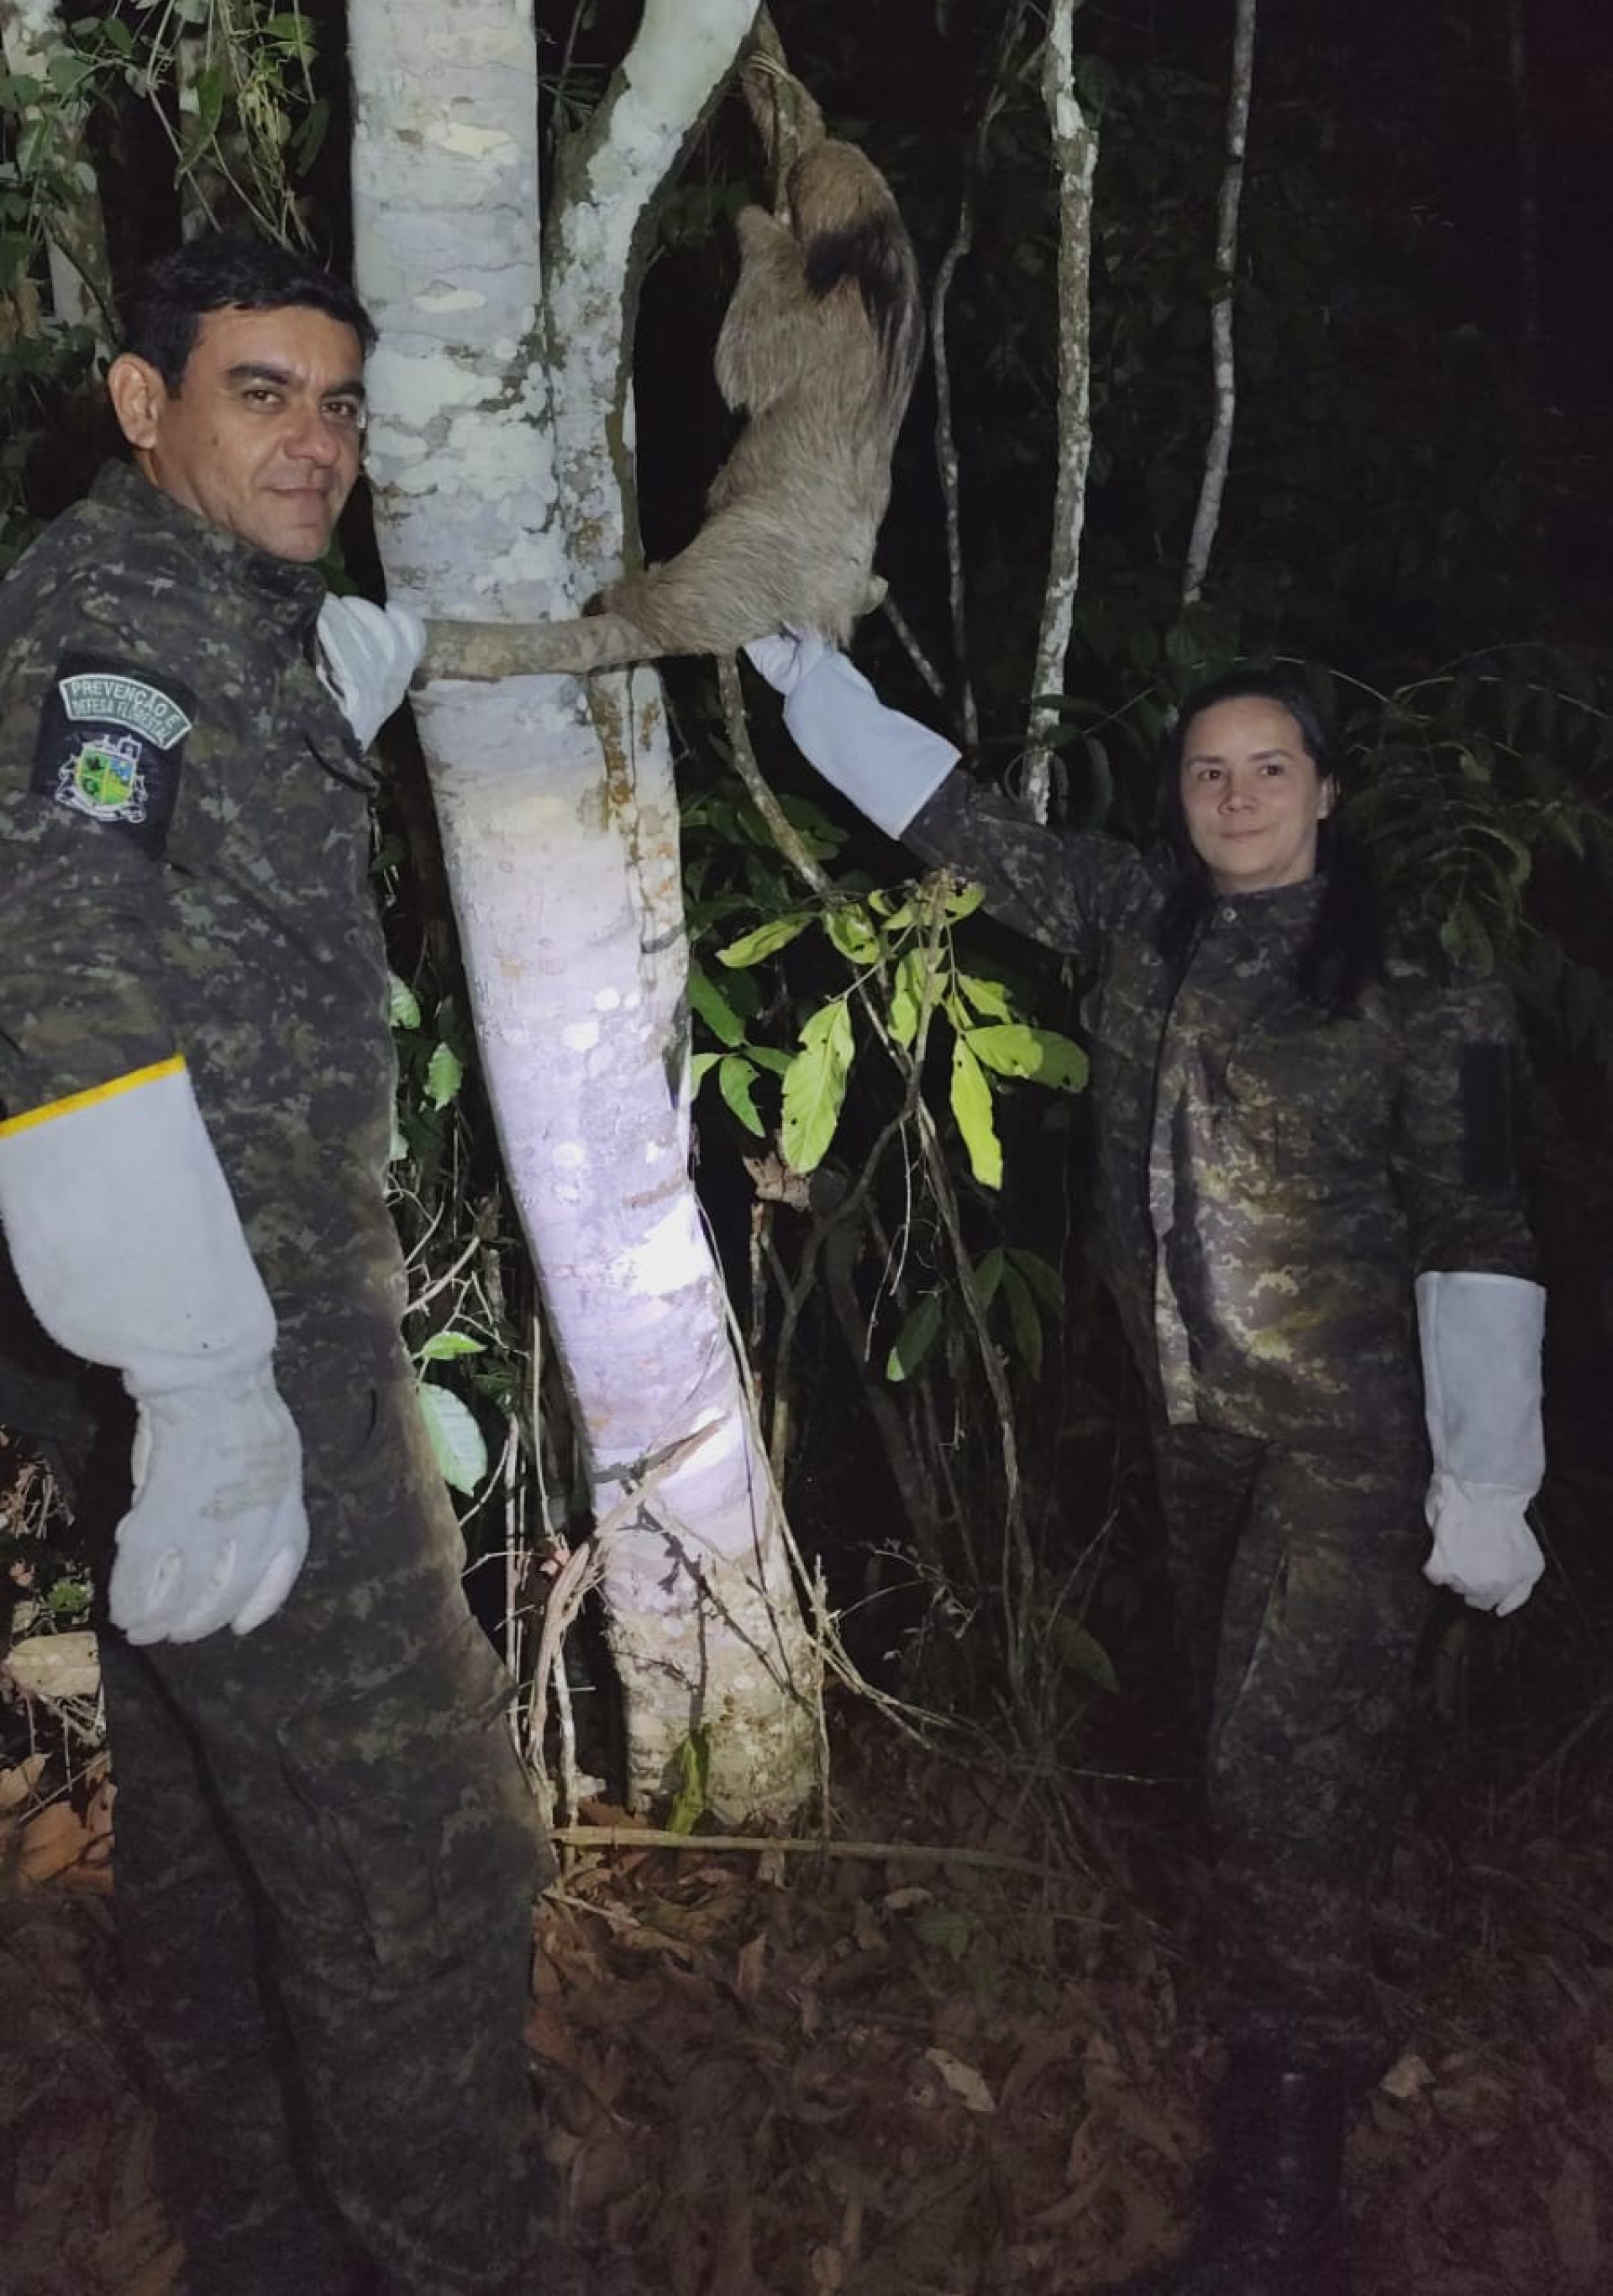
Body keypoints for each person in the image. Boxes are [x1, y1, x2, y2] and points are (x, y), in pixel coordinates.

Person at [744, 629, 1546, 2296]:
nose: (1238, 791)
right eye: (1209, 767)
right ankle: (1308, 1979)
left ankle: (1285, 2171)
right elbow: (956, 822)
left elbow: (1480, 1220)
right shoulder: (1135, 913)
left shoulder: (1416, 973)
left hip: (1352, 1434)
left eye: (1271, 765)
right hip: (1193, 1427)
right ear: (1180, 798)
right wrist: (806, 672)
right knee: (1252, 1736)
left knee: (1274, 1766)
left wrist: (1485, 1478)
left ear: (1325, 789)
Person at [0, 235, 551, 2296]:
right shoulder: (115, 621)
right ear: (146, 406)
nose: (315, 439)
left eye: (337, 401)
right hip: (236, 1334)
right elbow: (58, 966)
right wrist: (200, 1373)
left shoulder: (232, 614)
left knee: (222, 1836)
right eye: (260, 392)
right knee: (421, 1866)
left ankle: (264, 2245)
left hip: (183, 1331)